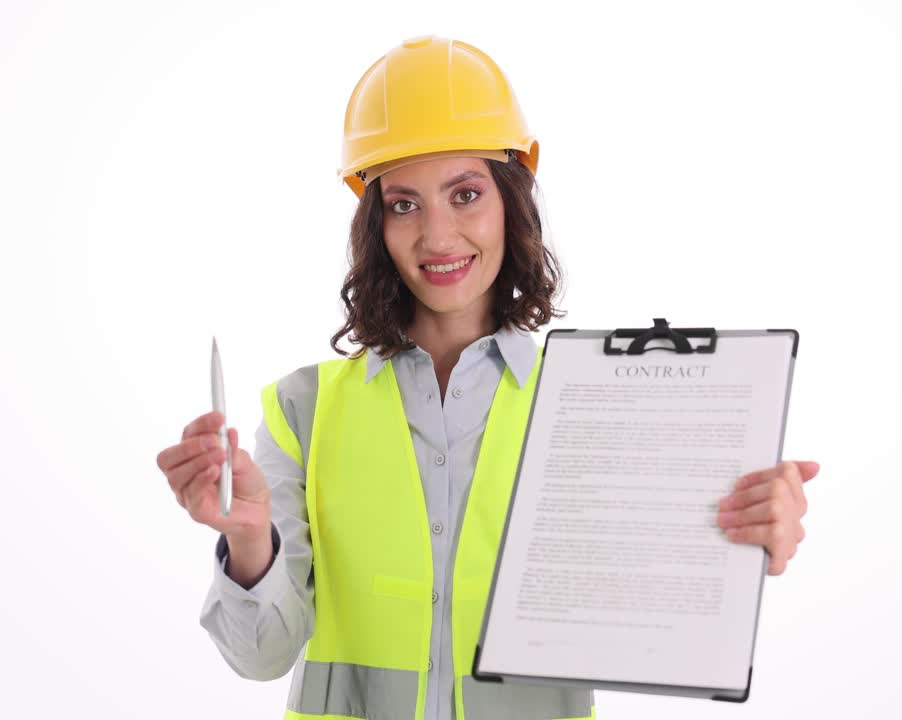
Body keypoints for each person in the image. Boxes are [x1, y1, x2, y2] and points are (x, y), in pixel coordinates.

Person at [156, 35, 821, 720]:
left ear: (511, 201)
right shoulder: (304, 410)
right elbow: (260, 656)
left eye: (465, 194)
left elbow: (658, 579)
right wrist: (248, 536)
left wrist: (741, 538)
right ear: (375, 225)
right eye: (404, 204)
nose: (438, 237)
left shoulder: (588, 401)